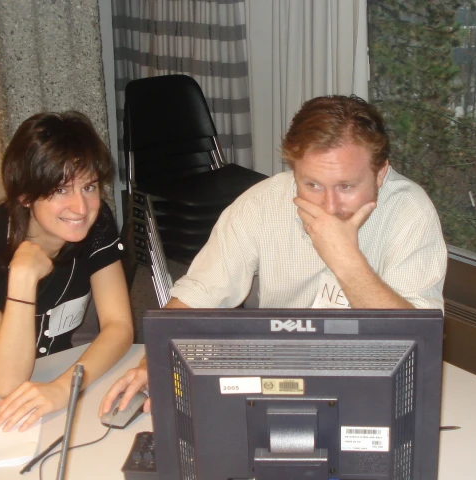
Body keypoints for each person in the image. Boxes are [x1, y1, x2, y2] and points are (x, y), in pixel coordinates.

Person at [99, 94, 448, 417]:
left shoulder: (410, 212)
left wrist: (345, 259)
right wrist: (154, 364)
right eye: (311, 184)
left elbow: (418, 346)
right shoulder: (261, 203)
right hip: (281, 375)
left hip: (374, 382)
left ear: (381, 172)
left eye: (346, 186)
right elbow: (199, 296)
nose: (328, 207)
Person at [0, 111, 134, 432]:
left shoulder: (96, 222)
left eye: (90, 186)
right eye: (61, 190)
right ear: (24, 194)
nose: (81, 208)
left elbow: (119, 326)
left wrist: (64, 388)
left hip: (49, 377)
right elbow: (7, 382)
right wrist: (22, 279)